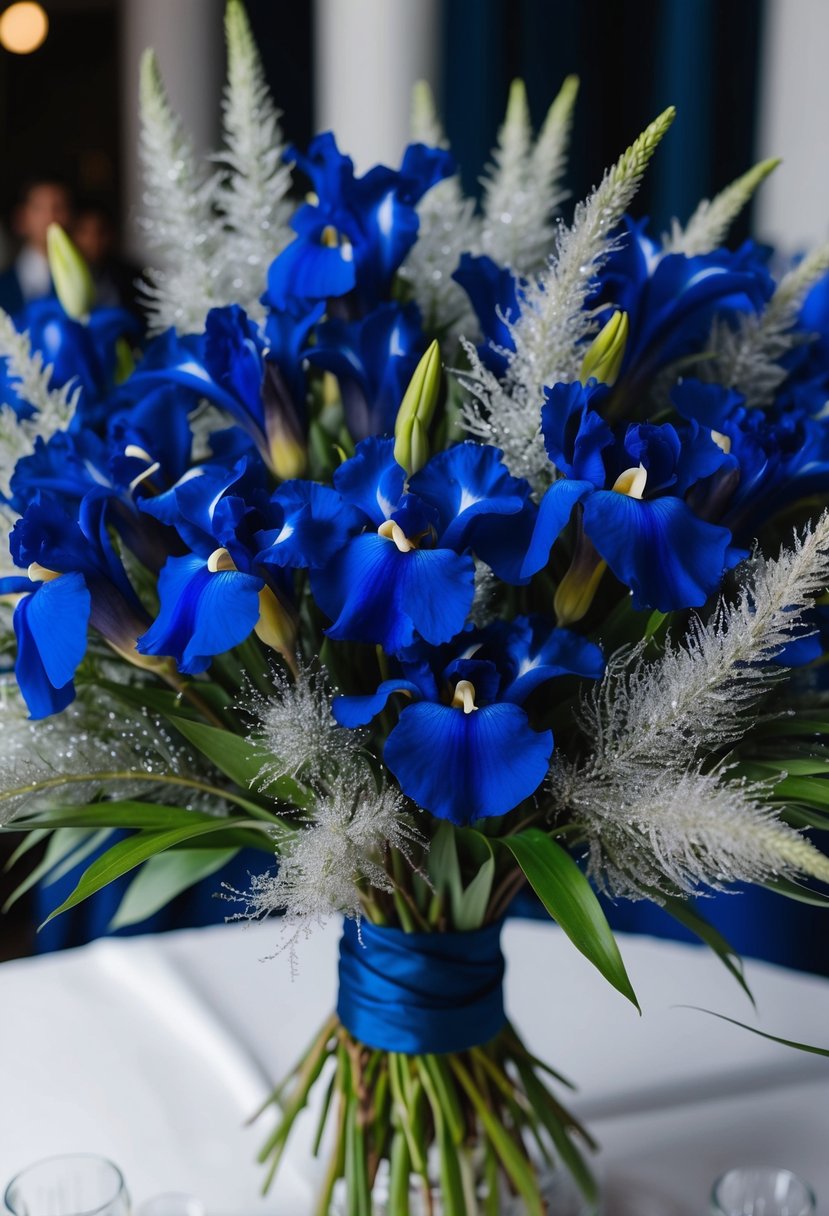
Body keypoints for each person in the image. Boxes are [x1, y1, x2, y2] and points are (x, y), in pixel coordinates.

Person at [0, 177, 73, 315]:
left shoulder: (95, 282)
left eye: (58, 207)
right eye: (39, 208)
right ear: (21, 218)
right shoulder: (3, 285)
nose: (50, 217)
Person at [71, 199, 143, 317]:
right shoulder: (58, 278)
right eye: (84, 232)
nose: (93, 240)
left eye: (101, 232)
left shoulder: (132, 277)